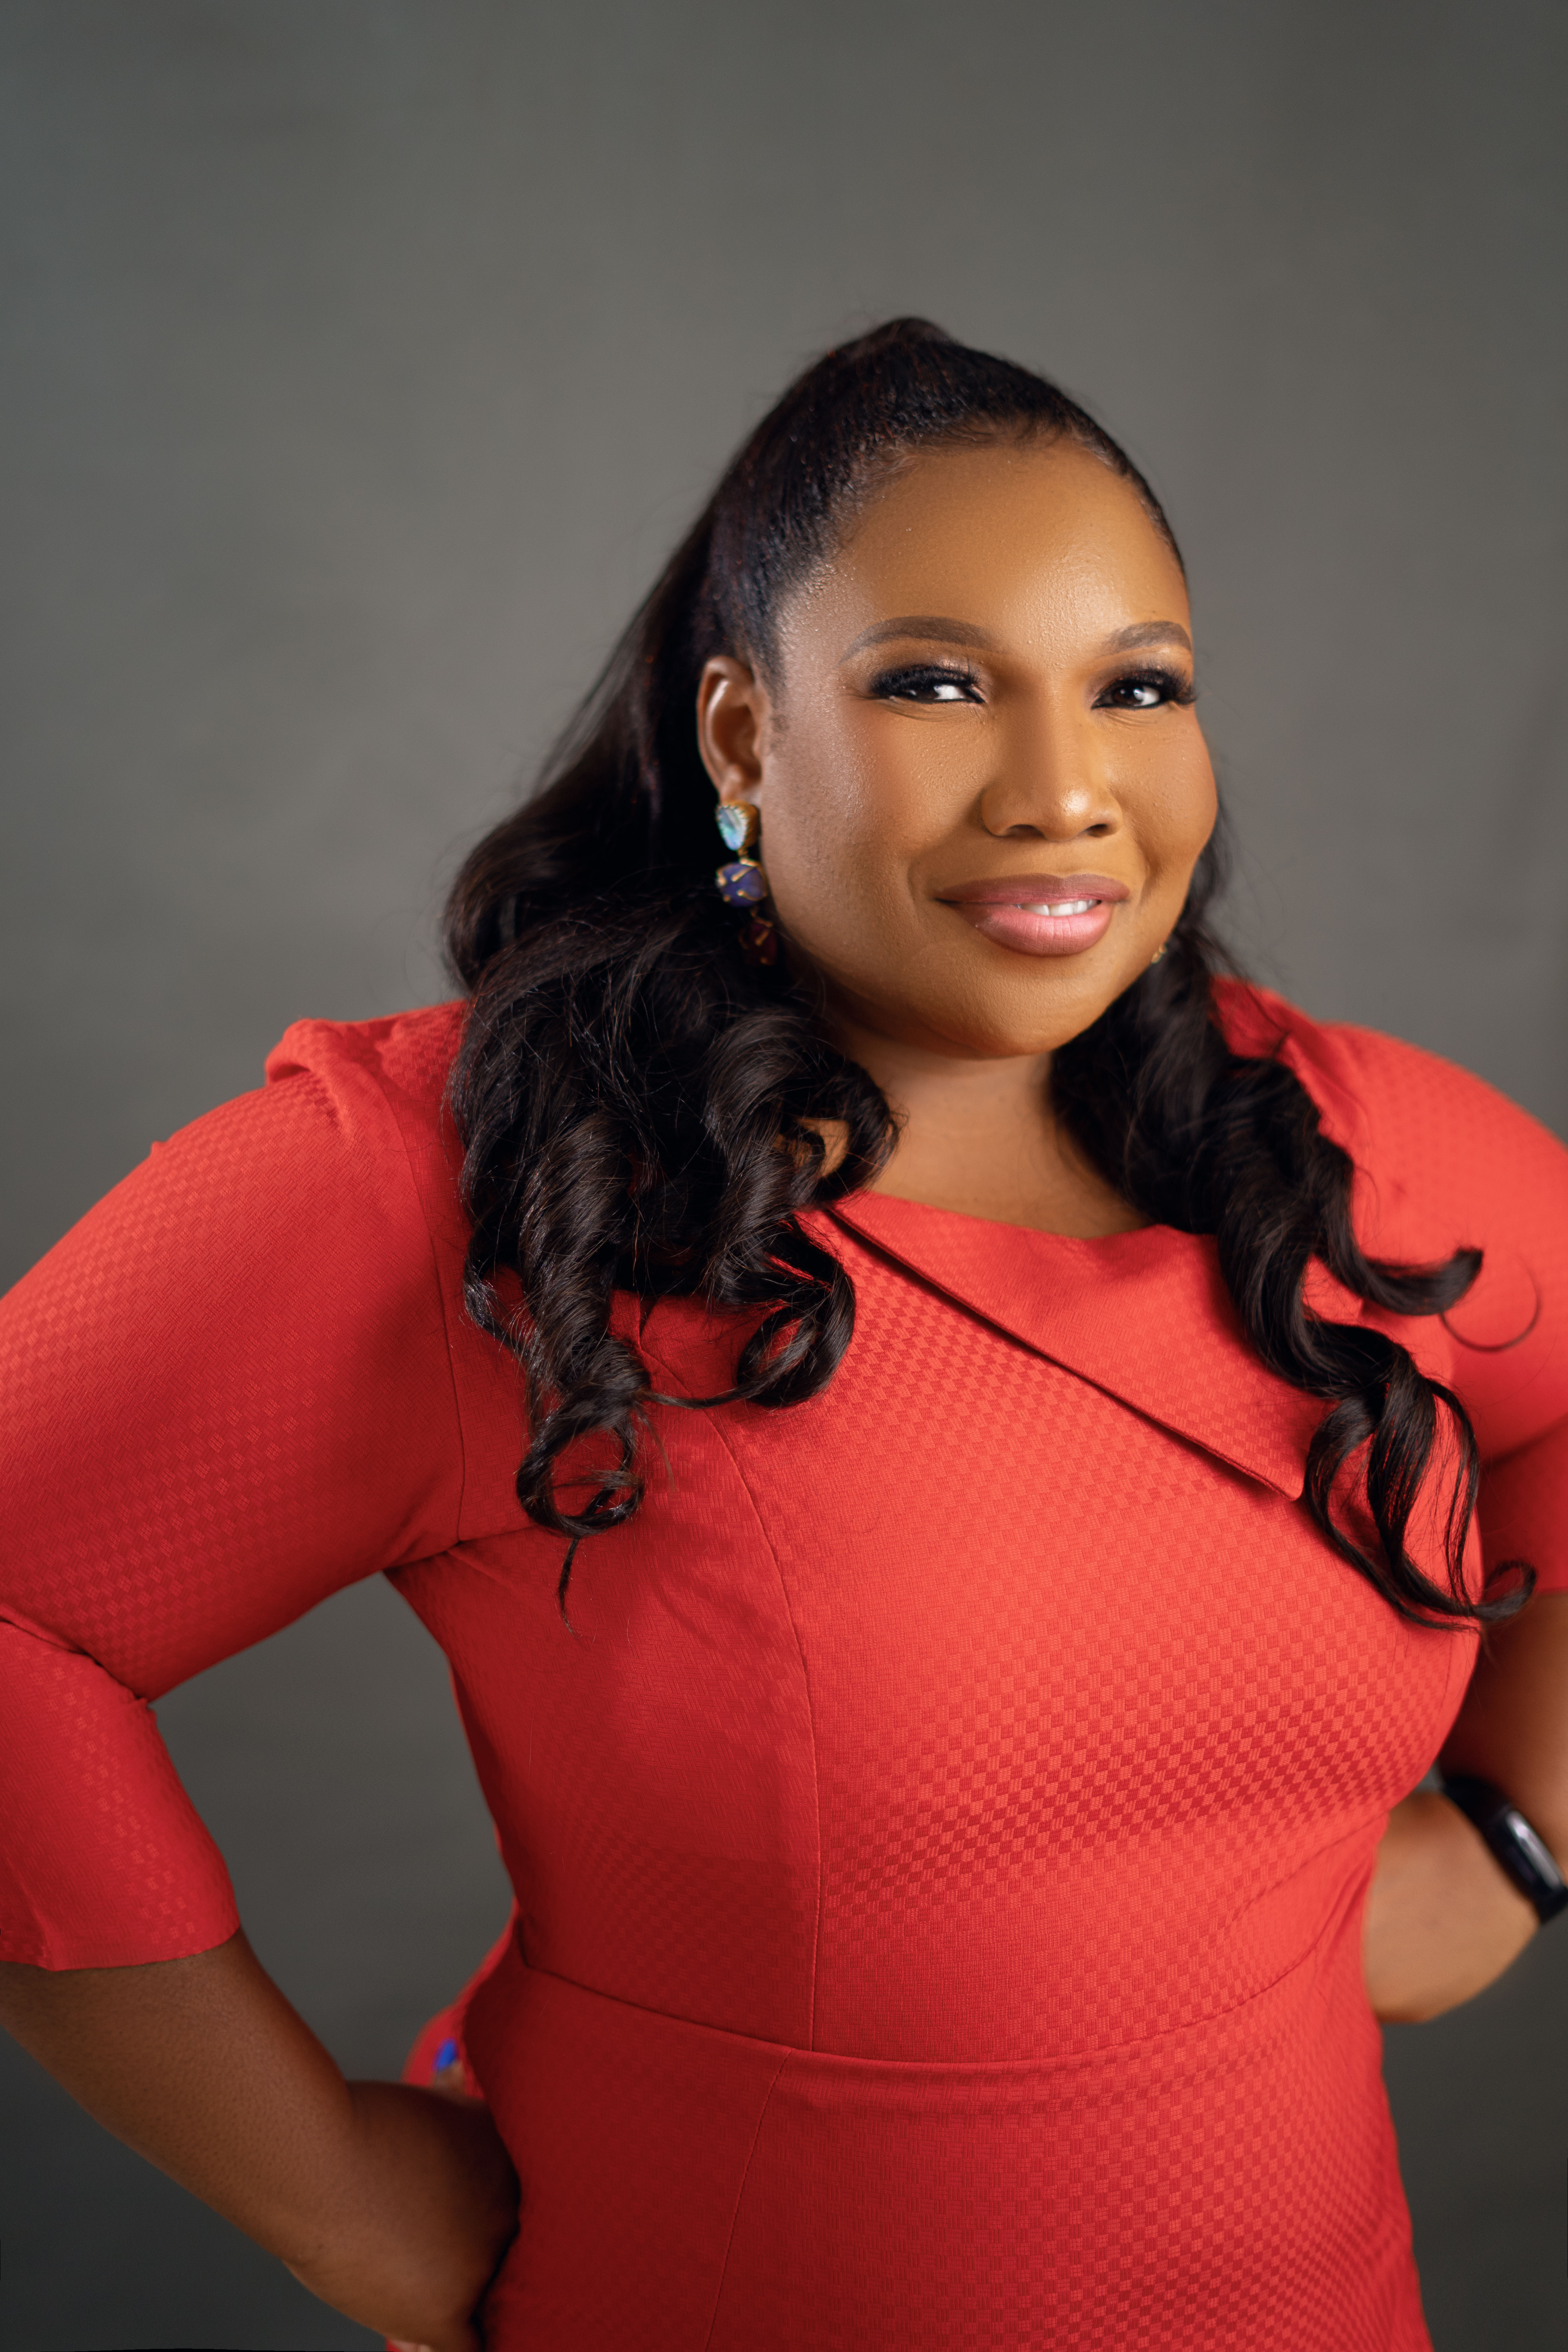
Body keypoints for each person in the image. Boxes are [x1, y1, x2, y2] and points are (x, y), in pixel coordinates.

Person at [3, 319, 1566, 2352]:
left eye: (1138, 688)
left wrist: (1516, 1840)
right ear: (742, 740)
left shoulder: (1328, 1143)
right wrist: (346, 2212)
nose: (1066, 790)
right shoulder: (492, 1182)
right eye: (937, 683)